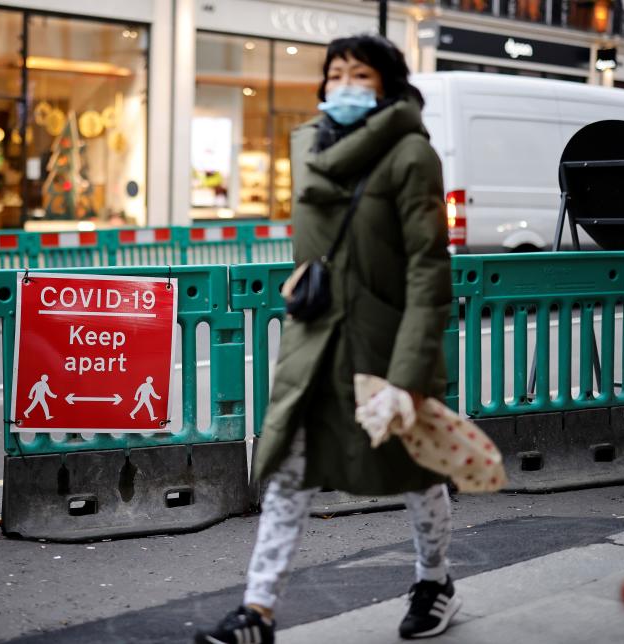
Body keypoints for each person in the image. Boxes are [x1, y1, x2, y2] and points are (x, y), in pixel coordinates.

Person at [195, 34, 456, 644]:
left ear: (387, 85)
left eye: (360, 74)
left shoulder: (411, 156)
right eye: (334, 73)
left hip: (382, 348)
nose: (343, 84)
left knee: (415, 471)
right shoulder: (312, 144)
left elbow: (427, 267)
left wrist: (409, 373)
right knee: (289, 472)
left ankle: (435, 580)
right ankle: (256, 612)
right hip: (315, 345)